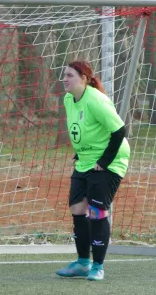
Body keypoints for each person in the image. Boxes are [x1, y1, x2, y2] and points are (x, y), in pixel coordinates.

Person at [55, 60, 130, 281]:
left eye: (70, 75)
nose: (65, 79)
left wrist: (105, 161)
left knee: (96, 212)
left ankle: (98, 266)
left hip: (110, 160)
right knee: (78, 209)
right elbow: (84, 130)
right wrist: (80, 152)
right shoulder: (69, 99)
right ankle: (82, 263)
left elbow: (119, 131)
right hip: (86, 161)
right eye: (64, 75)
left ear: (84, 79)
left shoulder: (96, 100)